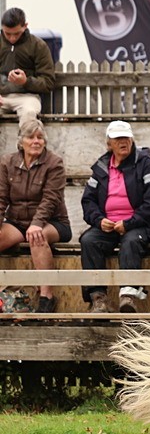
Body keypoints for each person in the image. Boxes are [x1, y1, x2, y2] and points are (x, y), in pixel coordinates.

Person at [80, 120, 150, 313]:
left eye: (125, 137)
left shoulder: (146, 163)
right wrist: (99, 220)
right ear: (109, 144)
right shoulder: (101, 167)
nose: (123, 142)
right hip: (109, 224)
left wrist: (129, 223)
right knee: (89, 240)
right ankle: (98, 298)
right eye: (117, 139)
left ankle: (128, 296)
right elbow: (88, 202)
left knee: (132, 241)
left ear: (132, 139)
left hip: (140, 224)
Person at [0, 119, 71, 312]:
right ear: (21, 141)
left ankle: (46, 296)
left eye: (40, 137)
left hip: (53, 222)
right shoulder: (7, 162)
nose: (36, 141)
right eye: (31, 137)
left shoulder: (54, 163)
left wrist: (37, 223)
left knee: (36, 237)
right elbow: (1, 197)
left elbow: (51, 199)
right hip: (17, 221)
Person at [0, 8, 56, 127]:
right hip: (2, 97)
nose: (12, 38)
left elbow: (48, 82)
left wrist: (26, 81)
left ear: (25, 26)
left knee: (29, 113)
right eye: (7, 33)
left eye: (16, 33)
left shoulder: (38, 46)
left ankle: (25, 145)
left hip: (27, 97)